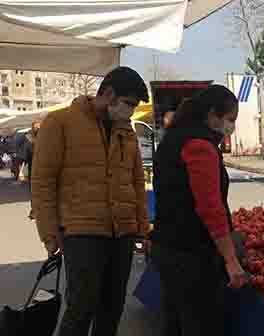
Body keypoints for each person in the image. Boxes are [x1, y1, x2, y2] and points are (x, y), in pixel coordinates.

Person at [31, 66, 150, 336]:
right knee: (81, 307)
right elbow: (43, 182)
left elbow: (136, 182)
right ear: (108, 94)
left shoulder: (125, 131)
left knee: (112, 307)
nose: (130, 111)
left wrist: (142, 228)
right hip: (81, 232)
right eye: (128, 103)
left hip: (122, 233)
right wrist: (49, 233)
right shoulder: (59, 123)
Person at [150, 85, 248, 336]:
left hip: (168, 247)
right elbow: (210, 208)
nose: (231, 126)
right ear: (213, 115)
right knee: (200, 324)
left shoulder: (173, 138)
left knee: (174, 323)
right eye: (230, 119)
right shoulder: (199, 146)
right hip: (192, 255)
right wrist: (230, 259)